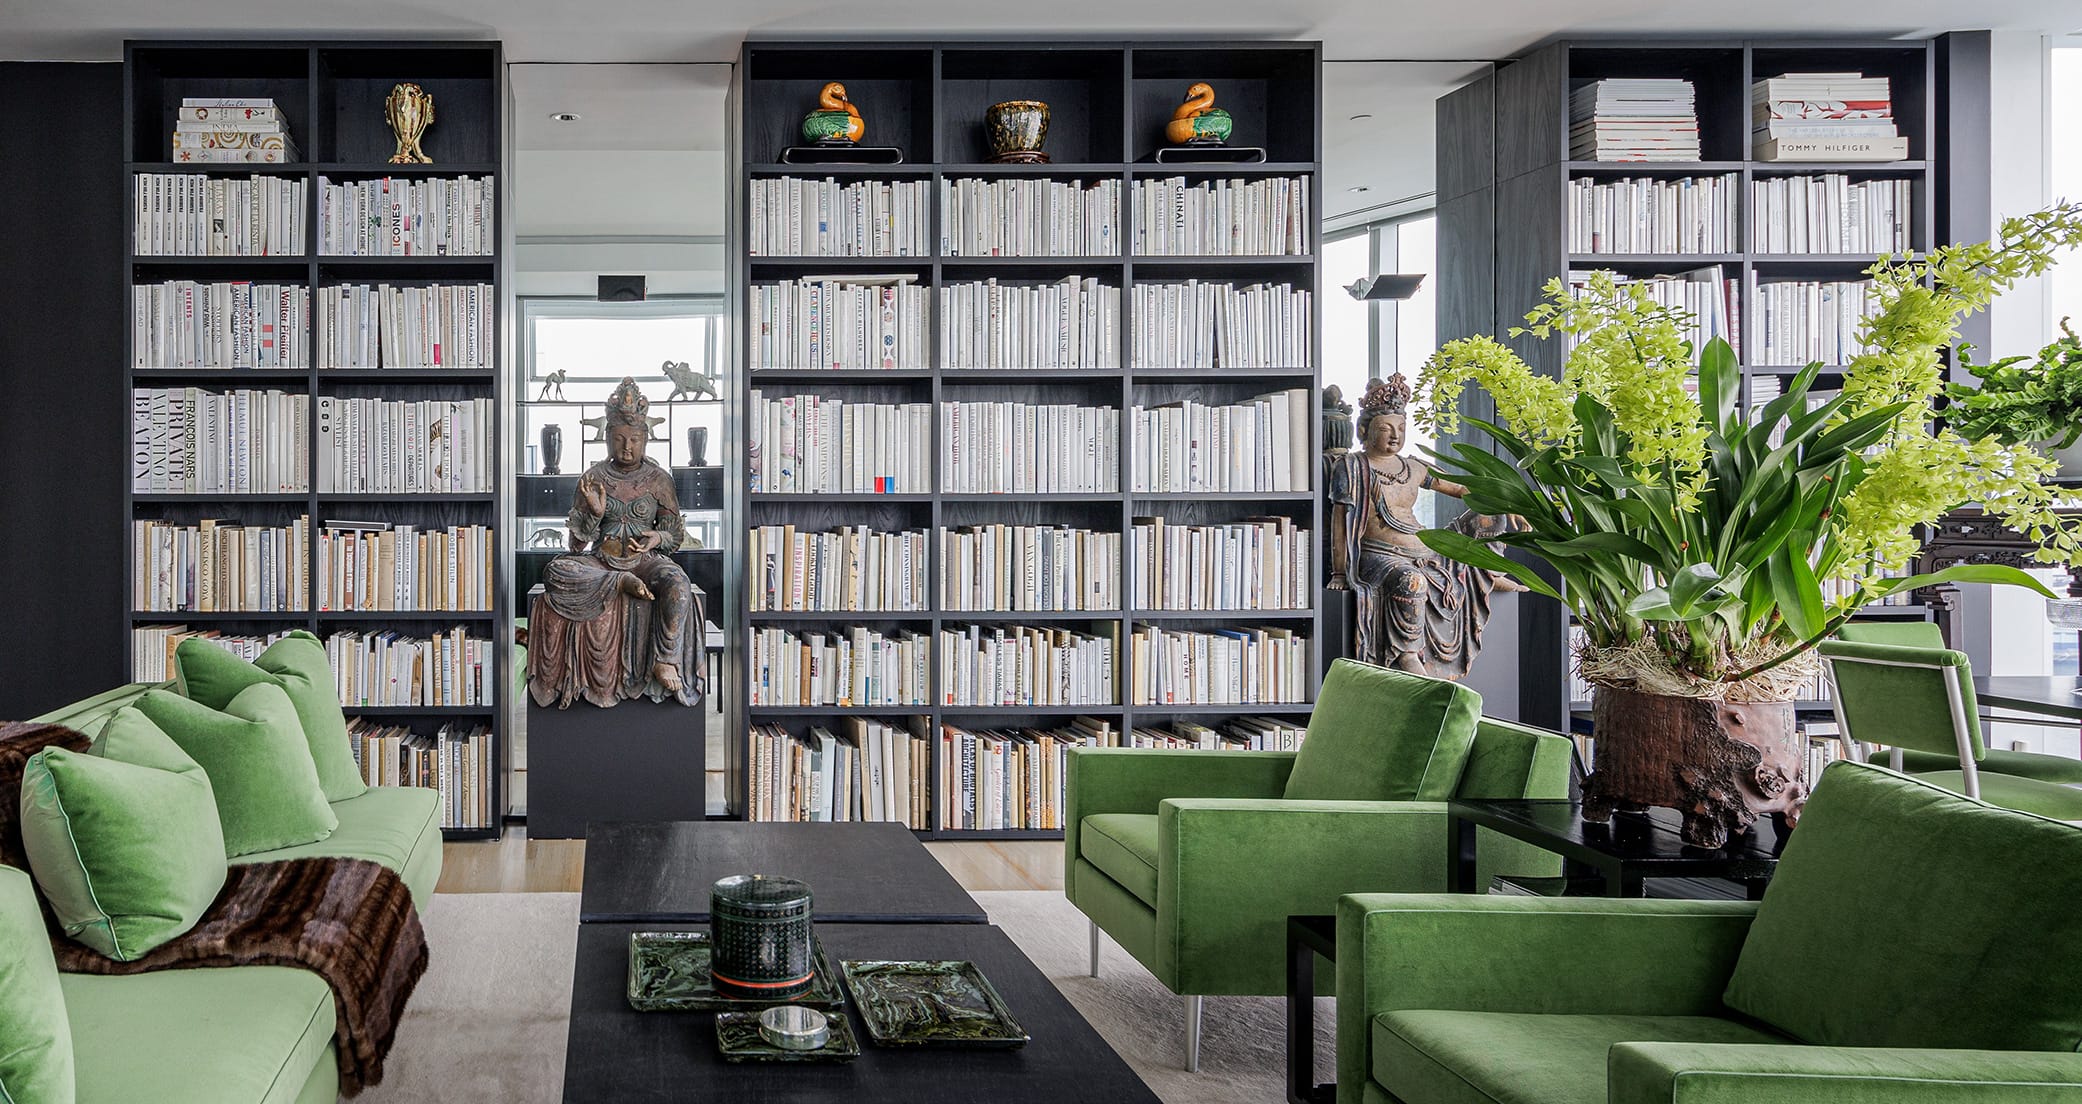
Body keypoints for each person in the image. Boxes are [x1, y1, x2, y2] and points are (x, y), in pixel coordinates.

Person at [1327, 373, 1523, 679]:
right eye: (1385, 429)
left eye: (1401, 429)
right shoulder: (1352, 467)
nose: (1395, 436)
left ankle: (1485, 574)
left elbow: (1463, 488)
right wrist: (1340, 573)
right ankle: (1406, 652)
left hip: (1426, 548)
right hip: (1381, 555)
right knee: (1411, 580)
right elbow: (1341, 521)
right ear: (1364, 430)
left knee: (1491, 515)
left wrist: (1513, 506)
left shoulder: (1414, 467)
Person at [529, 377, 704, 707]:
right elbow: (576, 546)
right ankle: (619, 582)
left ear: (645, 440)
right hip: (603, 562)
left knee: (679, 584)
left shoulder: (658, 479)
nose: (627, 446)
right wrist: (594, 514)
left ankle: (665, 658)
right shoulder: (593, 478)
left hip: (646, 562)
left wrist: (657, 537)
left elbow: (675, 534)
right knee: (556, 570)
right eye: (619, 438)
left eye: (635, 439)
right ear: (606, 438)